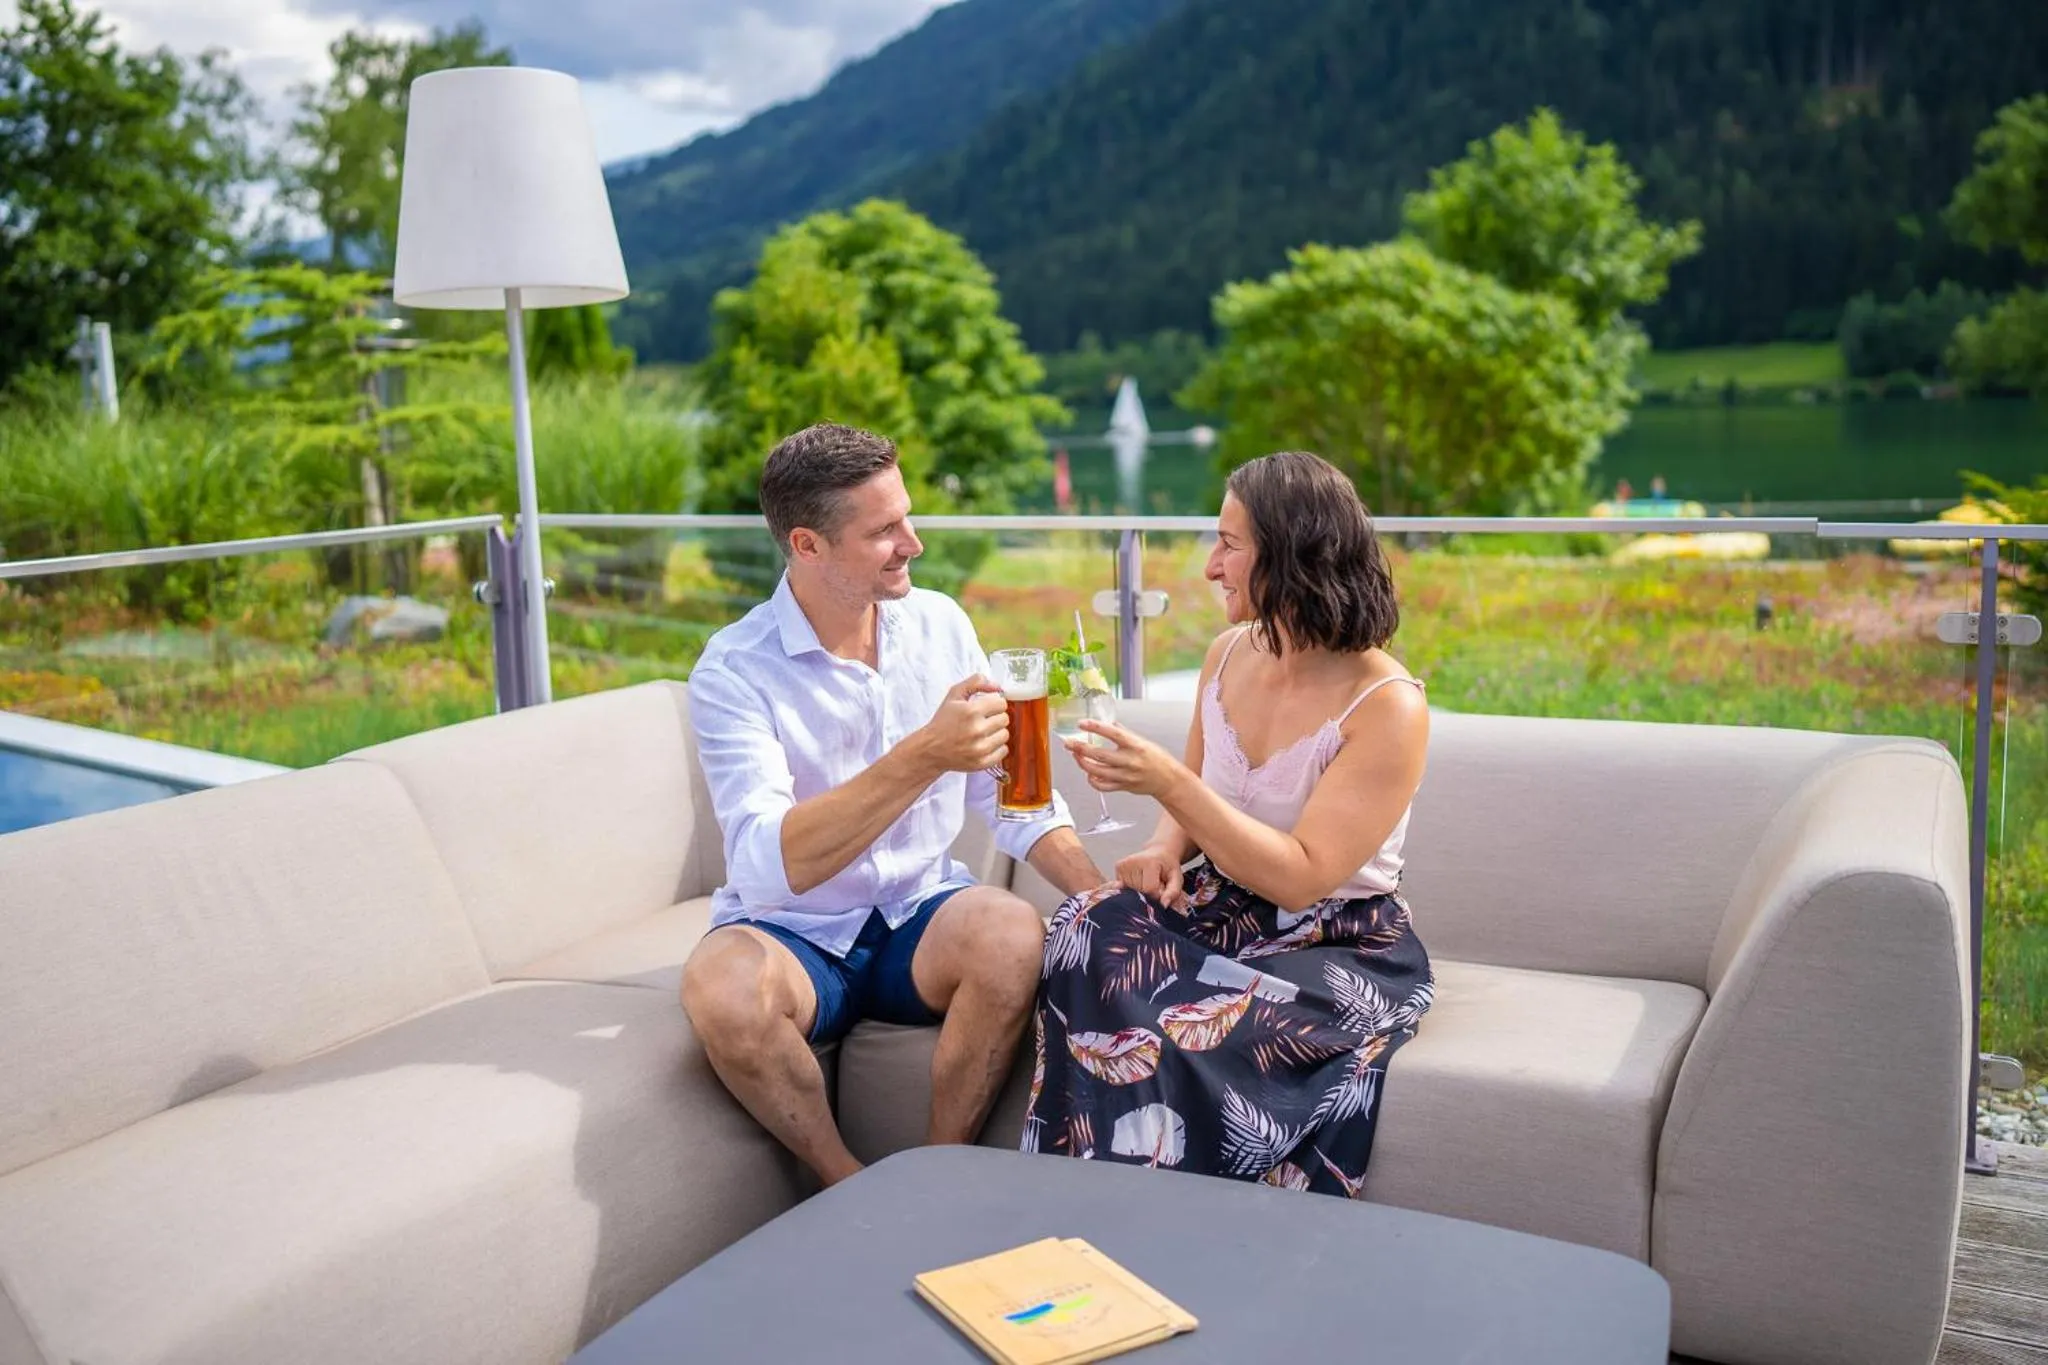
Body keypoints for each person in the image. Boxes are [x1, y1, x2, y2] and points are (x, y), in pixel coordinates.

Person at [680, 422, 1105, 1189]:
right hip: (793, 933)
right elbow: (770, 868)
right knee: (721, 987)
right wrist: (923, 755)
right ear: (807, 545)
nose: (912, 542)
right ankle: (844, 1184)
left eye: (906, 517)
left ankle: (937, 1178)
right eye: (883, 531)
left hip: (918, 914)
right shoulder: (734, 670)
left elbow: (1007, 794)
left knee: (1010, 930)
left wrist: (1101, 895)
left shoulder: (940, 623)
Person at [1023, 450, 1431, 1197]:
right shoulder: (1226, 655)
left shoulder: (1387, 704)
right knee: (1084, 922)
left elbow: (1302, 873)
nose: (1211, 566)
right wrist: (1157, 848)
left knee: (1186, 1016)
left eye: (1229, 544)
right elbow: (1191, 810)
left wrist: (1167, 783)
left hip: (1333, 937)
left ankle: (1178, 1203)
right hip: (1222, 911)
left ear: (1293, 552)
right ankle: (1081, 1184)